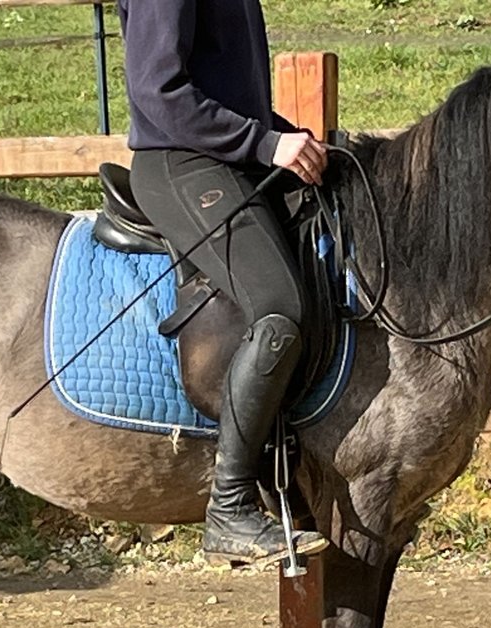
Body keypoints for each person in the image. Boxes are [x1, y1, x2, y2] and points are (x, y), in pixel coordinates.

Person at [116, 0, 331, 566]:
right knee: (279, 307)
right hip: (179, 163)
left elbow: (231, 95)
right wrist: (266, 145)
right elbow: (157, 92)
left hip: (226, 160)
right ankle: (229, 509)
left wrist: (290, 138)